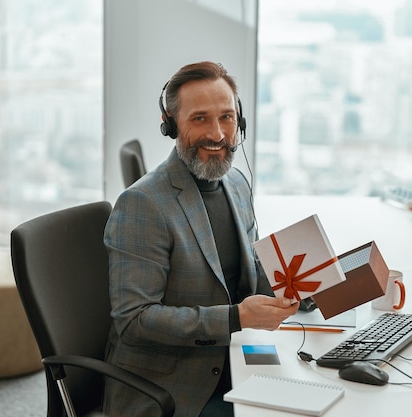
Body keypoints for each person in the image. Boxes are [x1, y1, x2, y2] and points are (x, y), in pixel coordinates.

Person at [102, 61, 299, 417]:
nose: (218, 134)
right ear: (171, 125)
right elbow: (134, 321)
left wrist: (308, 283)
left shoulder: (236, 183)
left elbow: (248, 274)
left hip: (231, 356)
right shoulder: (143, 204)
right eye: (199, 119)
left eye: (226, 117)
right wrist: (235, 318)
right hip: (173, 385)